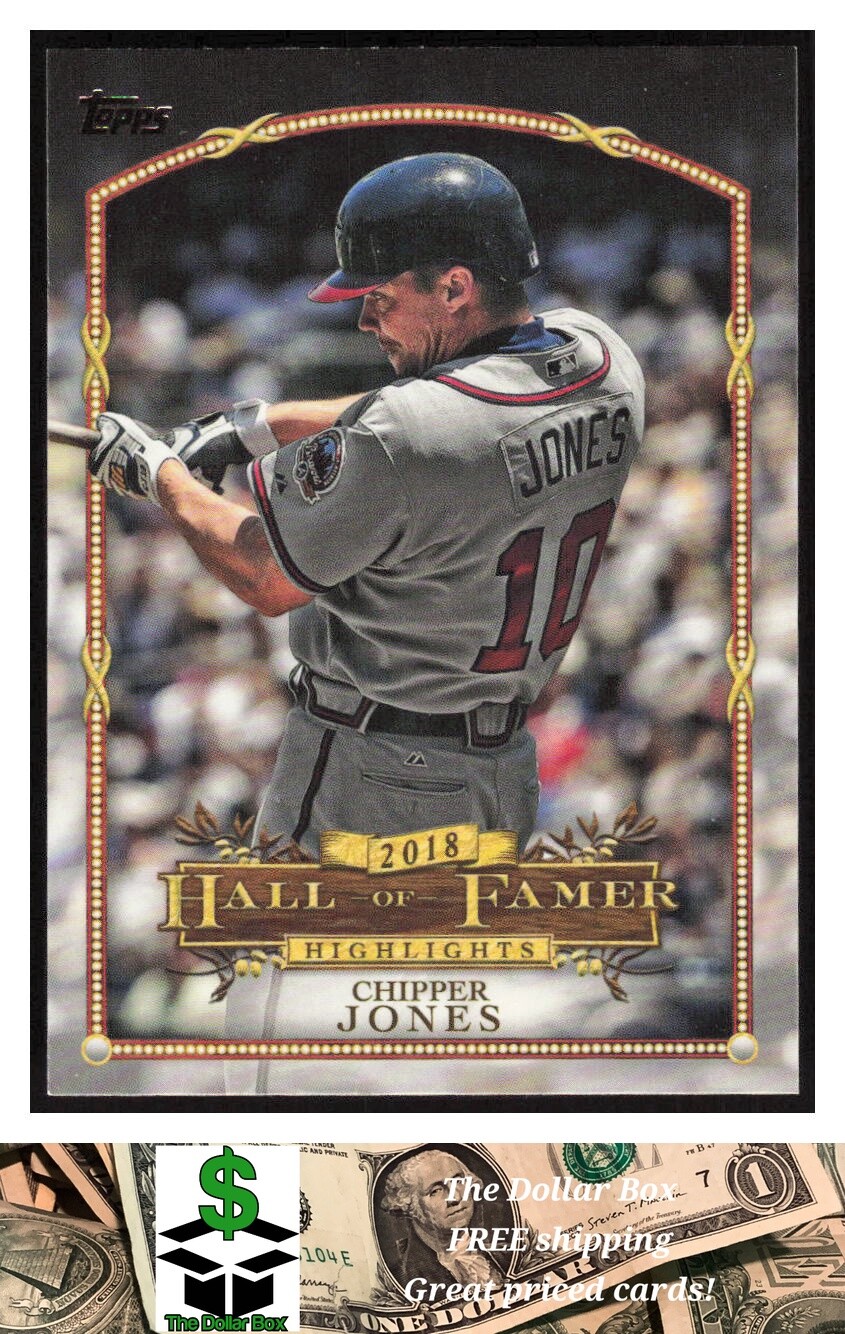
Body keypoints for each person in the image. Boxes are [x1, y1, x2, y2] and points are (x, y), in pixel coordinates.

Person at [90, 152, 645, 864]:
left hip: (371, 773)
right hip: (499, 771)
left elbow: (266, 576)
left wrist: (158, 472)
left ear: (455, 287)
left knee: (308, 939)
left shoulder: (408, 432)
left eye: (381, 296)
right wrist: (257, 427)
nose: (364, 319)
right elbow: (455, 407)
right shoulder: (606, 359)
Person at [378, 1148, 508, 1291]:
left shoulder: (506, 1255)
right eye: (435, 1191)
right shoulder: (403, 1280)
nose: (456, 1198)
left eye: (458, 1181)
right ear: (408, 1205)